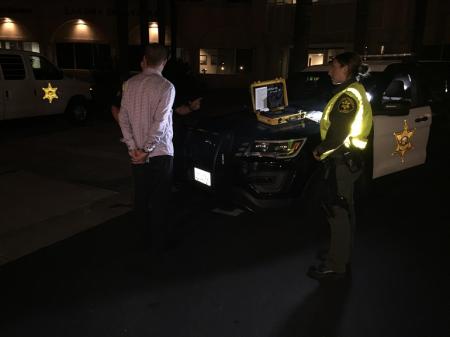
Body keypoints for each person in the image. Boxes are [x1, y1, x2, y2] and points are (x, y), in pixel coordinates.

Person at [307, 51, 373, 281]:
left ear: (345, 69)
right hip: (351, 160)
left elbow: (337, 134)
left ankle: (335, 265)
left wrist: (319, 151)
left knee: (337, 211)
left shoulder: (347, 97)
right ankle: (342, 253)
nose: (329, 71)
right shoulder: (355, 90)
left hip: (341, 161)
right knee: (347, 208)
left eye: (333, 66)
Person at [118, 43, 175, 254]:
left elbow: (123, 118)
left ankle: (141, 242)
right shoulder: (166, 87)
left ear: (144, 60)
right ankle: (159, 245)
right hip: (160, 153)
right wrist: (147, 150)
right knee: (160, 200)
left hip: (136, 155)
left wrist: (134, 148)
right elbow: (160, 123)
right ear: (164, 61)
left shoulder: (129, 84)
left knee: (141, 198)